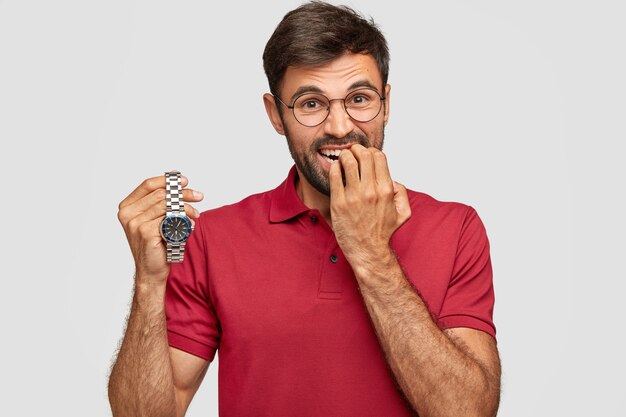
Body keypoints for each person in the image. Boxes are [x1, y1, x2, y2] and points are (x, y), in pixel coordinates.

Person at [108, 2, 501, 416]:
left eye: (360, 98)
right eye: (311, 104)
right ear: (276, 114)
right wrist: (150, 284)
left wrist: (370, 253)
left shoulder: (456, 228)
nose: (339, 126)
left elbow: (468, 412)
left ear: (386, 103)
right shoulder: (213, 237)